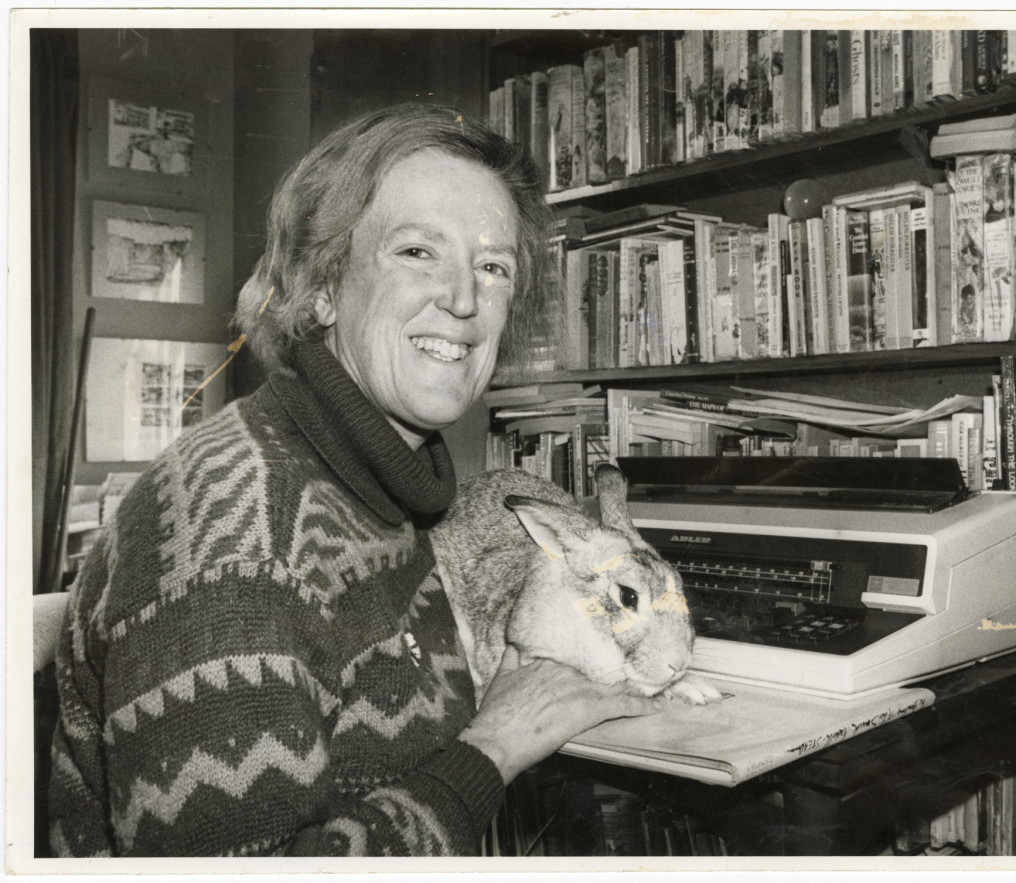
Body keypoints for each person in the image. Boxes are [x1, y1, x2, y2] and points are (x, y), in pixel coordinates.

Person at [47, 103, 665, 857]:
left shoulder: (390, 494)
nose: (465, 299)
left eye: (494, 266)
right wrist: (494, 746)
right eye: (417, 252)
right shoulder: (235, 537)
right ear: (322, 288)